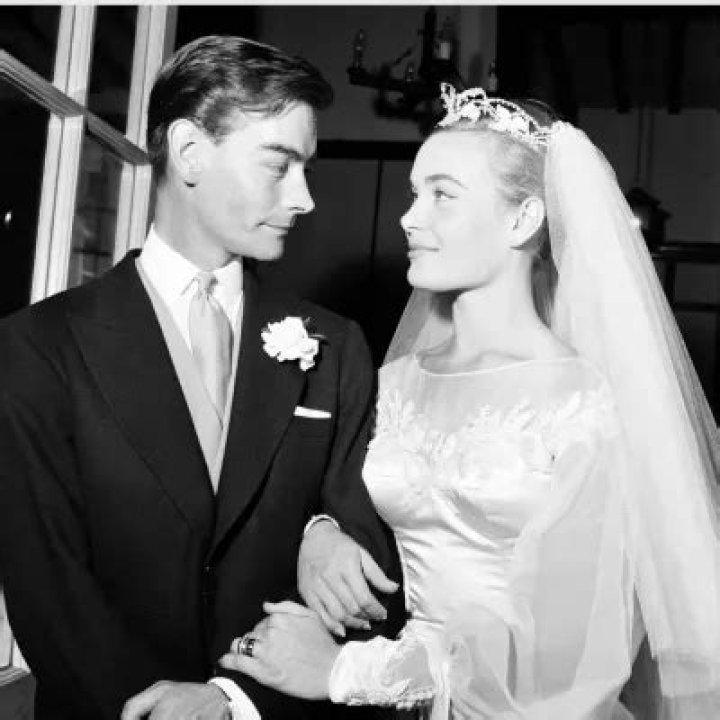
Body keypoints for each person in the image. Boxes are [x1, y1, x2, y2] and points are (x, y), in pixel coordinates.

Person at [219, 83, 720, 719]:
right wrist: (319, 532)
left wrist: (347, 670)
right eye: (413, 193)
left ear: (522, 219)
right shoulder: (394, 381)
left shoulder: (583, 402)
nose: (409, 217)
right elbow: (330, 504)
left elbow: (567, 662)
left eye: (442, 194)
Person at [0, 35, 404, 720]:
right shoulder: (38, 347)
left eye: (305, 168)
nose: (304, 197)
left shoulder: (336, 346)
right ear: (189, 152)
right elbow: (47, 588)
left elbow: (367, 547)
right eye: (279, 165)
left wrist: (233, 701)